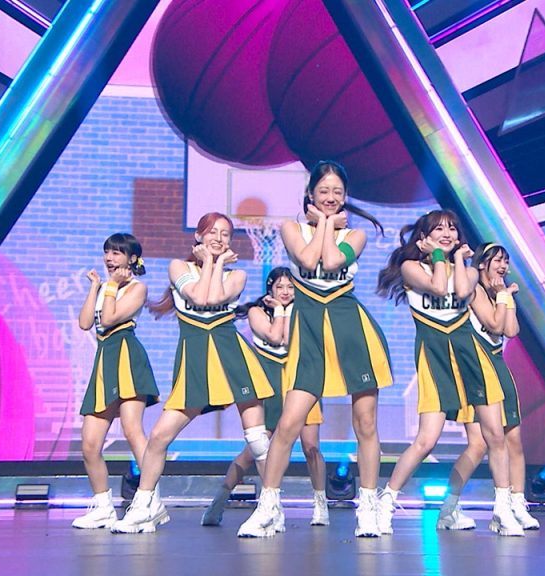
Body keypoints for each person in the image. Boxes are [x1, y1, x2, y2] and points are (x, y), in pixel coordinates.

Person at [238, 160, 393, 538]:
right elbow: (308, 259)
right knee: (288, 423)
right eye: (324, 191)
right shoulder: (291, 228)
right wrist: (325, 223)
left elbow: (333, 260)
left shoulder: (355, 235)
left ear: (345, 196)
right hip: (309, 332)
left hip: (350, 329)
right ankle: (268, 507)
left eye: (337, 192)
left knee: (366, 423)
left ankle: (367, 506)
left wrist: (327, 225)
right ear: (310, 193)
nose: (330, 197)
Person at [111, 212, 275, 534]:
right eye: (212, 232)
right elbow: (199, 296)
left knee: (257, 440)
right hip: (195, 361)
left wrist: (214, 262)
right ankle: (147, 506)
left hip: (233, 358)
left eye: (225, 234)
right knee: (159, 437)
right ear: (198, 237)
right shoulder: (178, 268)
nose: (218, 238)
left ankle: (271, 507)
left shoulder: (237, 275)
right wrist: (212, 262)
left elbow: (212, 297)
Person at [371, 212, 524, 536]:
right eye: (439, 229)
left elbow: (464, 292)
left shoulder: (467, 271)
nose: (447, 233)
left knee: (494, 436)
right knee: (426, 440)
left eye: (452, 228)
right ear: (423, 238)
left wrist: (457, 260)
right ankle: (387, 501)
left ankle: (502, 510)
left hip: (470, 356)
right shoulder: (411, 268)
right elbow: (439, 288)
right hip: (435, 357)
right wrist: (442, 257)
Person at [200, 267, 330, 527]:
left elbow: (294, 340)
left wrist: (288, 311)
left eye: (291, 287)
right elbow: (276, 336)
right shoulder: (256, 312)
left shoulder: (304, 311)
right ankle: (220, 500)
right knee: (254, 451)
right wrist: (280, 311)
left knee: (311, 447)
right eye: (280, 286)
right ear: (270, 288)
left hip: (300, 382)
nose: (285, 292)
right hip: (270, 385)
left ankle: (320, 503)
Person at [436, 242, 540, 532]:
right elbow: (494, 325)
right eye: (497, 260)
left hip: (497, 364)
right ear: (482, 263)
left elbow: (511, 330)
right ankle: (450, 507)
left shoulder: (500, 292)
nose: (503, 266)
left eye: (506, 261)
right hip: (475, 368)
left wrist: (506, 297)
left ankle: (517, 505)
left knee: (513, 439)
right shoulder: (475, 289)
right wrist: (503, 297)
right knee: (479, 444)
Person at [71, 233, 159, 529]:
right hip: (104, 360)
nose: (109, 258)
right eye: (107, 252)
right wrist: (96, 287)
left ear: (132, 259)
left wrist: (109, 287)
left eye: (117, 253)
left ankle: (150, 500)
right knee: (89, 443)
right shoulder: (105, 288)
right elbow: (86, 323)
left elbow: (109, 320)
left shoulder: (137, 287)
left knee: (133, 429)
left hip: (126, 356)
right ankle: (103, 507)